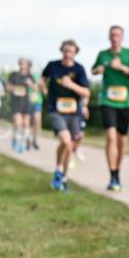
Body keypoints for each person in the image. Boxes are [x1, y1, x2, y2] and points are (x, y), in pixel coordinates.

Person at [92, 25, 129, 192]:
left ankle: (118, 171)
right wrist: (101, 68)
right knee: (111, 137)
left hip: (126, 102)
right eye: (112, 35)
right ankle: (112, 174)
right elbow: (93, 70)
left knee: (122, 140)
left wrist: (122, 67)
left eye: (118, 35)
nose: (115, 38)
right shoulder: (103, 54)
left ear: (122, 37)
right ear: (109, 37)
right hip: (108, 101)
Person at [40, 40, 90, 192]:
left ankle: (63, 177)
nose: (68, 54)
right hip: (56, 110)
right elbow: (42, 79)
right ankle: (59, 170)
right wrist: (44, 89)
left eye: (71, 51)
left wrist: (71, 85)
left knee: (71, 143)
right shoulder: (52, 65)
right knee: (66, 142)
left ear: (75, 53)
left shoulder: (79, 69)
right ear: (61, 51)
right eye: (65, 51)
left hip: (74, 113)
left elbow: (86, 92)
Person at [8, 58, 35, 152]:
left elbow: (35, 88)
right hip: (16, 101)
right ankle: (16, 139)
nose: (22, 65)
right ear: (19, 64)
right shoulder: (14, 75)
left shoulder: (29, 76)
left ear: (27, 65)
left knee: (26, 123)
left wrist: (30, 84)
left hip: (26, 101)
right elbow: (8, 86)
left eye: (24, 64)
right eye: (21, 64)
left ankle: (23, 143)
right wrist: (14, 89)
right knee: (17, 122)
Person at [28, 61, 43, 150]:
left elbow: (40, 88)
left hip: (37, 101)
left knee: (36, 121)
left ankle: (35, 140)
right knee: (27, 122)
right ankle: (28, 140)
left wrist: (32, 84)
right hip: (25, 102)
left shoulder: (37, 76)